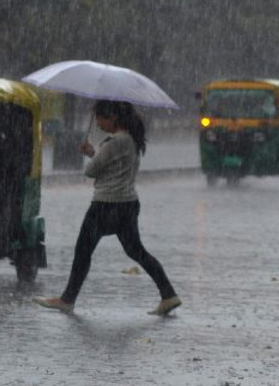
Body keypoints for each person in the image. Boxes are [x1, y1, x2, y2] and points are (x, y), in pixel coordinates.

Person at [35, 100, 181, 315]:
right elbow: (113, 167)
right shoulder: (131, 139)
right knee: (137, 252)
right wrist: (95, 153)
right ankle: (168, 295)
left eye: (101, 119)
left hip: (106, 205)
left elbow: (91, 171)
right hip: (128, 204)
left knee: (83, 251)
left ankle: (67, 299)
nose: (99, 124)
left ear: (112, 117)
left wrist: (91, 154)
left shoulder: (113, 142)